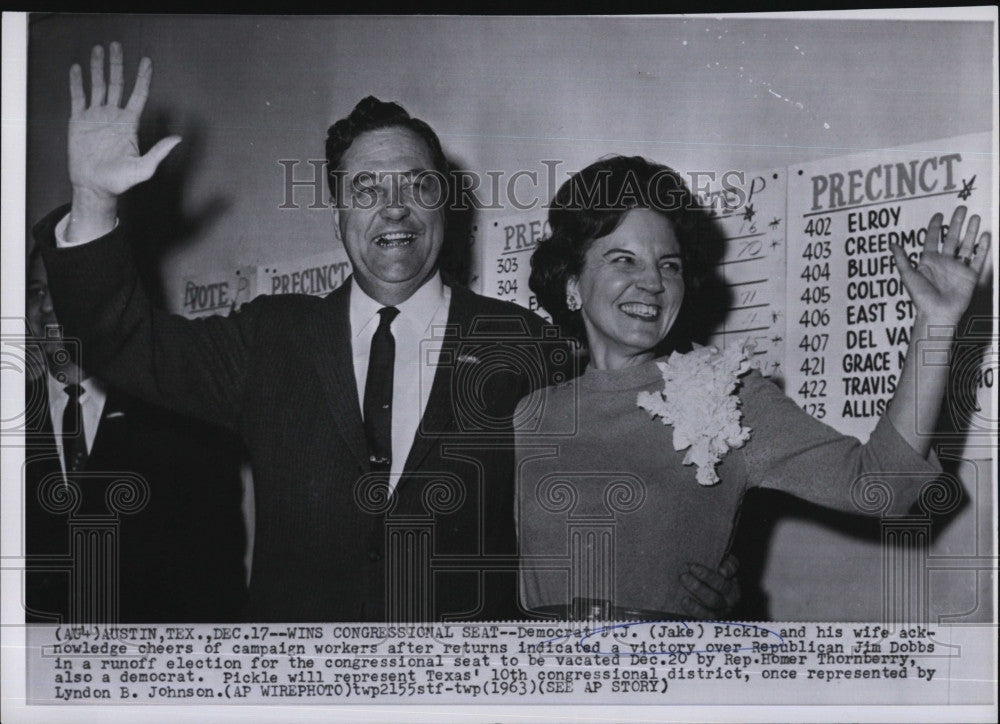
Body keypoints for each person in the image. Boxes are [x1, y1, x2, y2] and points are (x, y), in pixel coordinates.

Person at [36, 43, 738, 622]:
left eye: (416, 186)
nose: (394, 210)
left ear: (447, 204)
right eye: (367, 190)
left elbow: (620, 490)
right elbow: (120, 341)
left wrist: (698, 580)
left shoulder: (531, 347)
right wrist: (95, 202)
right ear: (337, 212)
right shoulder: (269, 338)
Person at [516, 155, 990, 620]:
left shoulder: (728, 393)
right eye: (624, 259)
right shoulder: (525, 414)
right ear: (572, 282)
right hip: (542, 690)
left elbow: (882, 485)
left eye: (670, 265)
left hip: (665, 686)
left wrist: (936, 323)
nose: (653, 283)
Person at [24, 245, 247, 623]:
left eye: (61, 288)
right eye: (36, 292)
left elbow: (216, 592)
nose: (46, 307)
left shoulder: (184, 422)